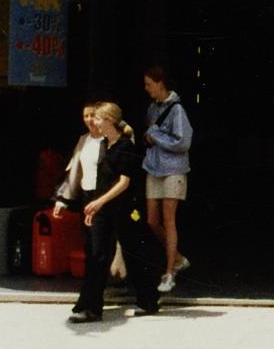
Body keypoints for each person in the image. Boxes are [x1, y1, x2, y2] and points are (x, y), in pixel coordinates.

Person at [56, 101, 160, 320]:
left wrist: (98, 202)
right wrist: (93, 206)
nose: (94, 122)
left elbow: (124, 183)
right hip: (103, 208)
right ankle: (90, 307)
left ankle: (148, 300)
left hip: (122, 208)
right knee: (97, 255)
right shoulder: (105, 145)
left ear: (110, 120)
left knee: (133, 254)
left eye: (98, 118)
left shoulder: (125, 147)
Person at [142, 65, 193, 294]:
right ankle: (178, 258)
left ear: (160, 83)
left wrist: (155, 136)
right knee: (152, 220)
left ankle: (169, 272)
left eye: (149, 84)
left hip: (173, 169)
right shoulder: (152, 108)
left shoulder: (177, 110)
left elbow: (183, 142)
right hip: (154, 167)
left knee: (169, 219)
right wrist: (151, 137)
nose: (146, 88)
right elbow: (150, 133)